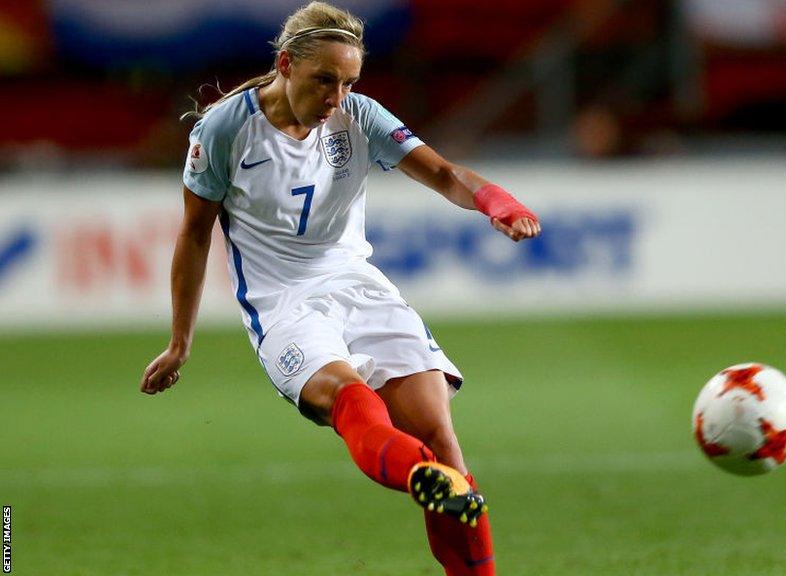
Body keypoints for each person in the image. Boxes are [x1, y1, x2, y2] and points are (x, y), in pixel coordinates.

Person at [138, 3, 540, 574]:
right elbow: (194, 236)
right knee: (354, 400)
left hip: (359, 286)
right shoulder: (225, 129)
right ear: (285, 65)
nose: (336, 97)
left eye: (348, 82)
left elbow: (446, 173)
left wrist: (496, 200)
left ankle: (428, 478)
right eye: (324, 80)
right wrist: (180, 341)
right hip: (283, 305)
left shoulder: (360, 117)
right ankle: (418, 474)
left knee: (441, 440)